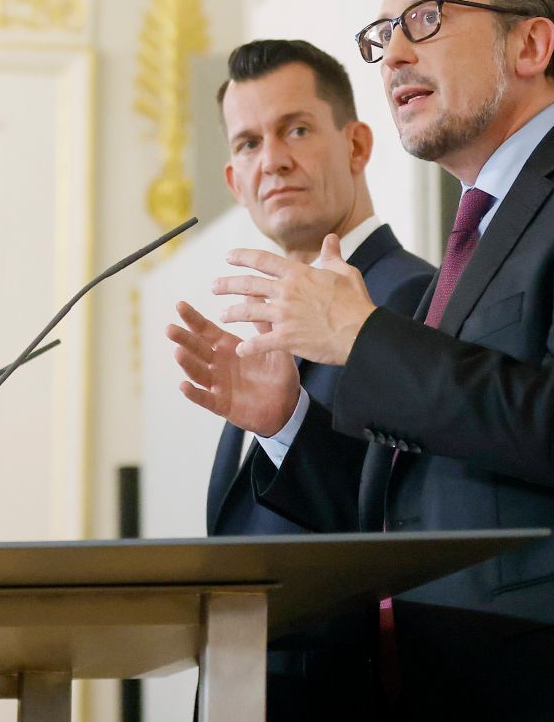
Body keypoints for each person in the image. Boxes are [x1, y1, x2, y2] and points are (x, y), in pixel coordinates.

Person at [169, 0, 554, 721]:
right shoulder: (473, 243)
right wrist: (288, 423)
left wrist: (361, 339)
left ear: (530, 43)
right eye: (384, 34)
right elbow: (407, 512)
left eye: (426, 19)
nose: (393, 55)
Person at [196, 39, 433, 717]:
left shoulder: (414, 296)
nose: (271, 159)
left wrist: (288, 425)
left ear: (357, 145)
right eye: (248, 143)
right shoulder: (267, 323)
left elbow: (400, 518)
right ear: (234, 181)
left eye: (295, 129)